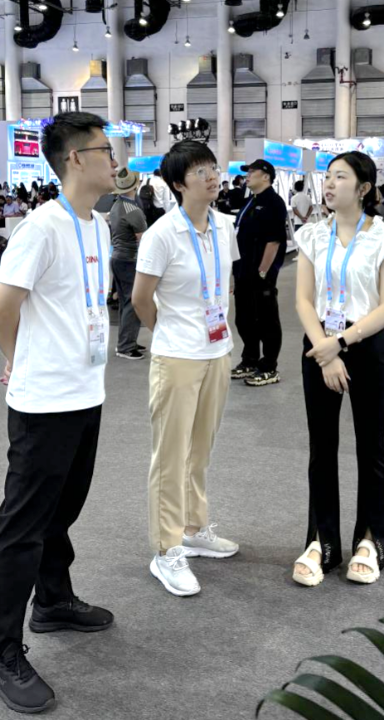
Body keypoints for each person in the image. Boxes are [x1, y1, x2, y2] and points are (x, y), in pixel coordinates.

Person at [0, 113, 117, 714]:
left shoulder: (98, 226)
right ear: (76, 159)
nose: (116, 160)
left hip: (86, 392)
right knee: (23, 525)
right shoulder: (40, 228)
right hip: (43, 403)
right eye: (106, 149)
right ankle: (0, 654)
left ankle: (53, 600)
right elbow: (0, 309)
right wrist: (20, 362)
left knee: (64, 508)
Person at [292, 151, 384, 588]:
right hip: (319, 347)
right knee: (321, 448)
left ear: (363, 188)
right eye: (327, 176)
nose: (329, 184)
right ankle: (321, 541)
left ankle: (372, 539)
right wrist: (324, 350)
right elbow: (304, 299)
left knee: (370, 447)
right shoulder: (311, 235)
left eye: (339, 177)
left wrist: (339, 343)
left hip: (366, 346)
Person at [132, 140, 239, 597]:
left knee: (200, 449)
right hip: (177, 356)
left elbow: (224, 285)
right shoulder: (162, 234)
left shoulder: (225, 226)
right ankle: (166, 548)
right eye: (199, 171)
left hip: (217, 351)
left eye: (212, 167)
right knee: (170, 456)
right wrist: (169, 333)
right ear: (178, 184)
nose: (211, 176)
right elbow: (140, 299)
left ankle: (194, 528)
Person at [231, 159, 288, 386]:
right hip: (243, 272)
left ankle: (269, 366)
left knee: (266, 320)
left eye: (252, 171)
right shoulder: (250, 201)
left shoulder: (274, 202)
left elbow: (274, 241)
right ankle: (250, 359)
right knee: (244, 319)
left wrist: (263, 272)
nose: (248, 175)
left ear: (266, 176)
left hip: (260, 274)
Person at [110, 168, 147, 360]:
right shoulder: (134, 211)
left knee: (126, 302)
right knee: (133, 303)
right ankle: (125, 346)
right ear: (136, 185)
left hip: (118, 258)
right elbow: (144, 240)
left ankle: (127, 341)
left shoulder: (117, 206)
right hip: (129, 260)